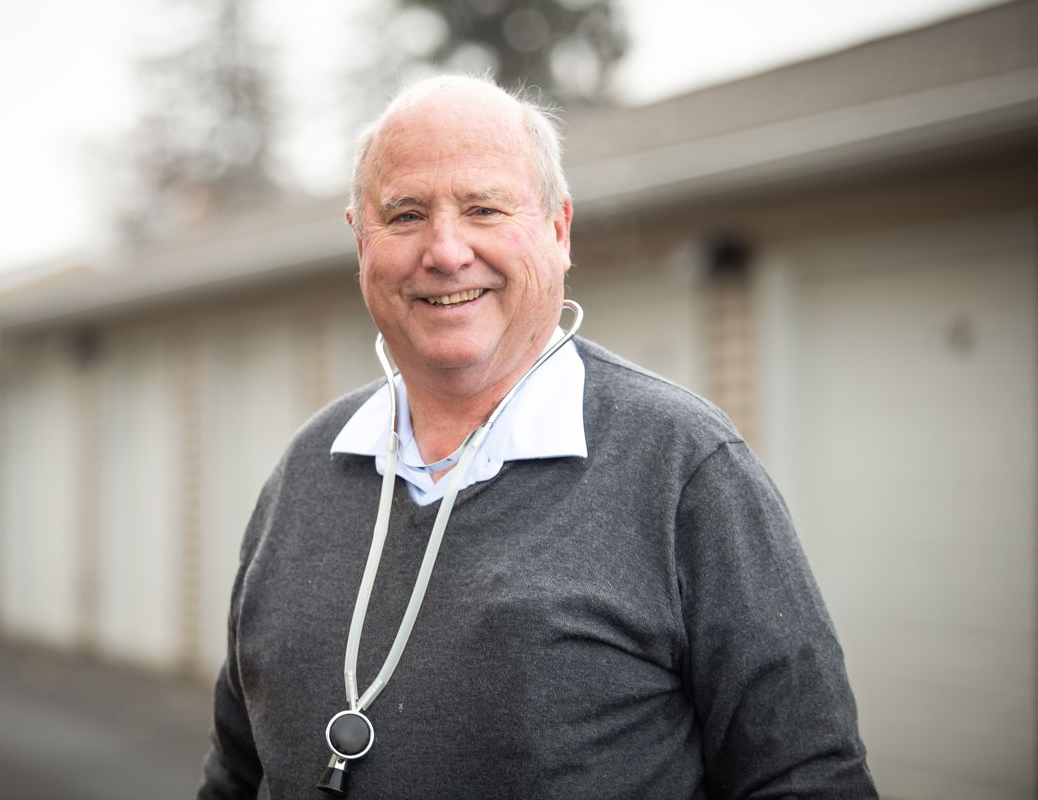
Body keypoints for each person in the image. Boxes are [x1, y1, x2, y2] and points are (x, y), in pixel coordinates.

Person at [199, 75, 877, 799]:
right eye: (405, 215)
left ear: (559, 230)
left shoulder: (683, 467)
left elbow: (806, 777)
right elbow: (236, 773)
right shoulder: (309, 467)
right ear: (360, 240)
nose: (446, 251)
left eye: (484, 208)